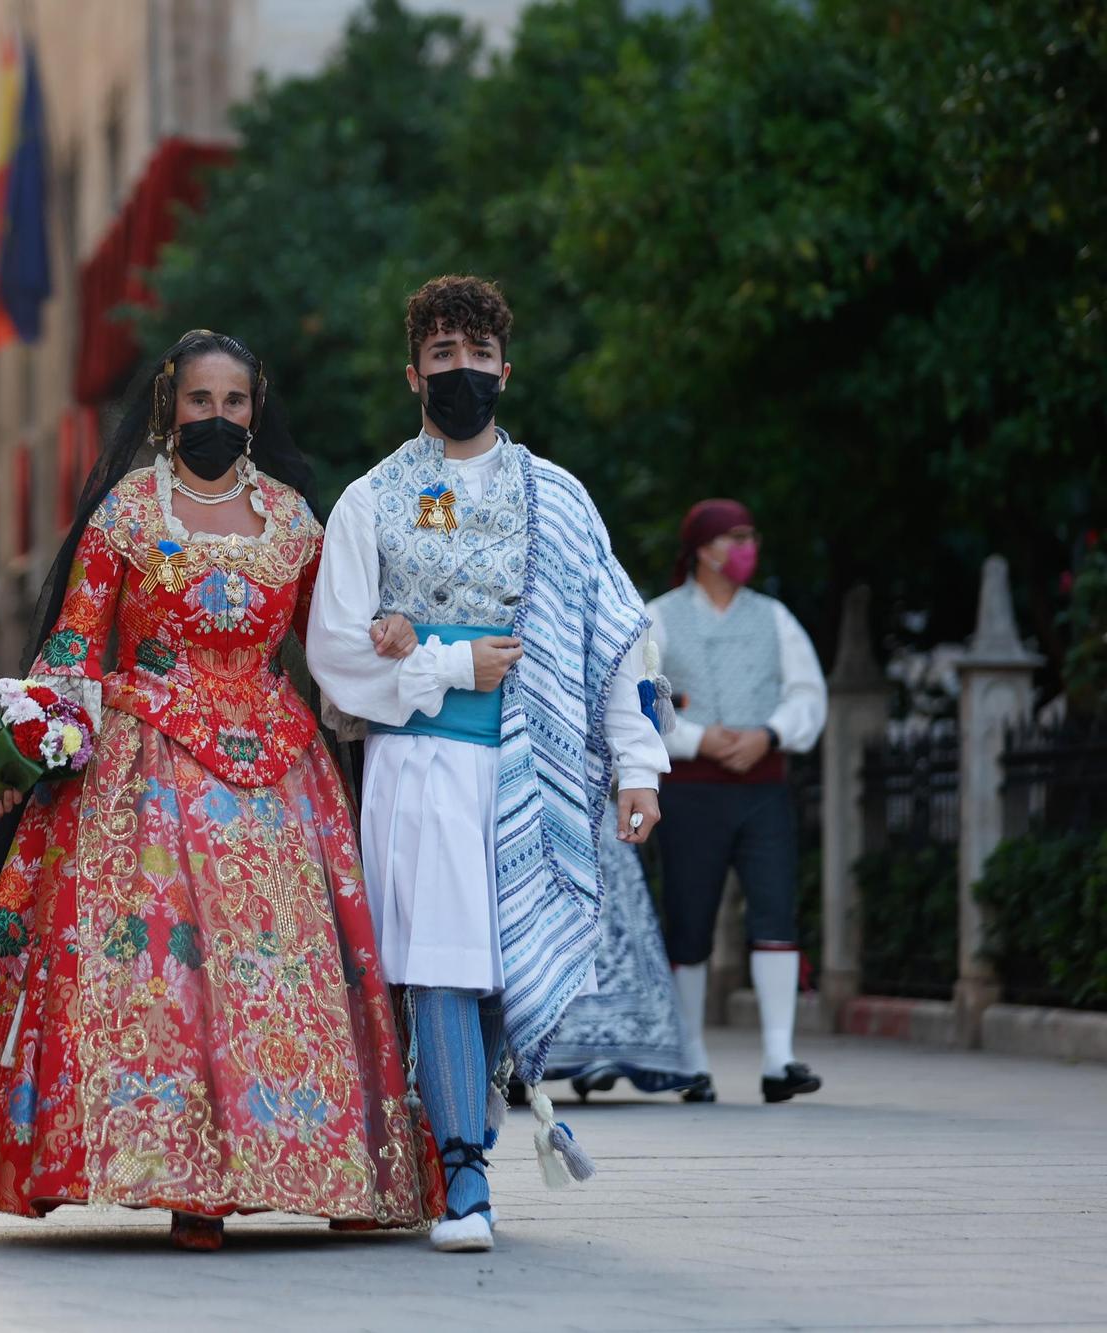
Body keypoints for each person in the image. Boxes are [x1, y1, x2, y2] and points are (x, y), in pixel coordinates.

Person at [0, 330, 445, 1252]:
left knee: (282, 972)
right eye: (201, 402)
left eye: (234, 403)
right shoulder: (127, 513)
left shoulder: (292, 519)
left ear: (257, 407)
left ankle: (325, 1165)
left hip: (279, 766)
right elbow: (77, 642)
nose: (218, 418)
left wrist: (391, 624)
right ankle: (184, 1181)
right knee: (163, 969)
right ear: (170, 406)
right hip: (145, 767)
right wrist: (16, 752)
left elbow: (338, 633)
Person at [307, 276, 669, 1253]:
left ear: (503, 370)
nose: (457, 373)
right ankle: (464, 1178)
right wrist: (442, 661)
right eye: (439, 356)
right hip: (421, 767)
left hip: (533, 774)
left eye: (475, 357)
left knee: (502, 976)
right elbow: (334, 652)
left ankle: (463, 1135)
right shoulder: (371, 499)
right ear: (411, 370)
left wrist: (637, 765)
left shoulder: (556, 497)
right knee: (443, 970)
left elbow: (619, 641)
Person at [650, 498, 827, 1104]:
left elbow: (807, 696)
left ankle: (780, 1058)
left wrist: (768, 734)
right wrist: (699, 738)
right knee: (689, 920)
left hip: (763, 788)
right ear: (703, 549)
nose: (747, 548)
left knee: (776, 911)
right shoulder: (658, 617)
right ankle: (691, 1060)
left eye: (751, 535)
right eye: (735, 537)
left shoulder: (774, 618)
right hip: (692, 791)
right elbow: (637, 700)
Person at [541, 812, 698, 1099]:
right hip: (523, 803)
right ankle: (515, 1066)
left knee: (608, 924)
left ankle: (599, 1057)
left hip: (591, 809)